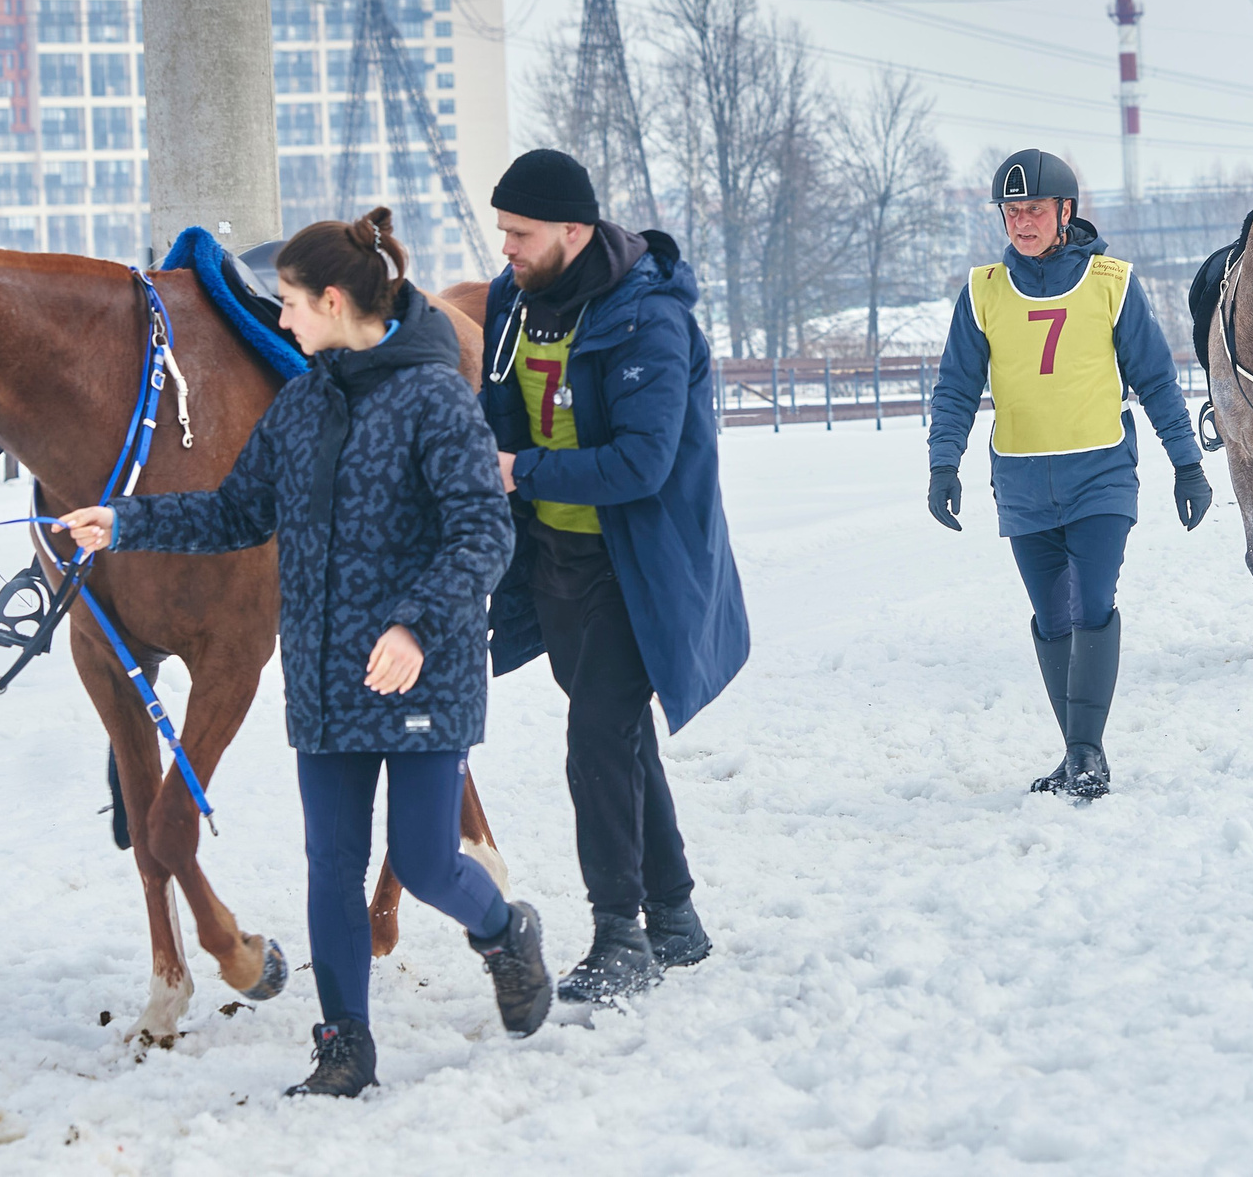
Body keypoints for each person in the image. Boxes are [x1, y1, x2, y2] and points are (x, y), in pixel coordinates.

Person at [60, 209, 538, 1099]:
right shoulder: (302, 404)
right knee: (331, 865)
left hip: (421, 668)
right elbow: (235, 512)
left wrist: (415, 625)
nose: (279, 322)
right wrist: (122, 521)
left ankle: (505, 930)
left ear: (331, 299)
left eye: (288, 304)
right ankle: (344, 1045)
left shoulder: (434, 396)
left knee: (429, 860)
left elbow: (482, 531)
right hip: (325, 679)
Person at [478, 149, 749, 1007]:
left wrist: (522, 471)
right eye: (504, 233)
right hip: (554, 561)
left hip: (642, 563)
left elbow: (641, 461)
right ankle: (675, 917)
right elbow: (497, 416)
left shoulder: (648, 318)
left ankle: (618, 933)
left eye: (521, 234)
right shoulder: (509, 305)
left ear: (573, 228)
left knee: (596, 736)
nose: (508, 248)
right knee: (620, 733)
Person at [927, 149, 1212, 802]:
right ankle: (1079, 752)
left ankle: (1085, 752)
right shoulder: (983, 291)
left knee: (1092, 604)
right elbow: (955, 387)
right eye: (1011, 210)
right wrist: (944, 461)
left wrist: (1188, 464)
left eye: (1032, 209)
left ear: (1064, 212)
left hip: (1101, 477)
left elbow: (1157, 381)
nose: (1020, 222)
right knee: (1052, 618)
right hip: (1023, 483)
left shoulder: (1112, 281)